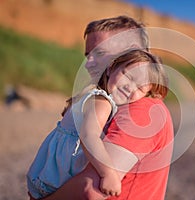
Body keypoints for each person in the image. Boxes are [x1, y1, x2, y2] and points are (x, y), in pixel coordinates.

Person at [40, 17, 174, 200]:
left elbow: (90, 190)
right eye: (88, 55)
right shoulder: (107, 101)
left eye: (100, 53)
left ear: (133, 52)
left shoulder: (142, 110)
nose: (88, 64)